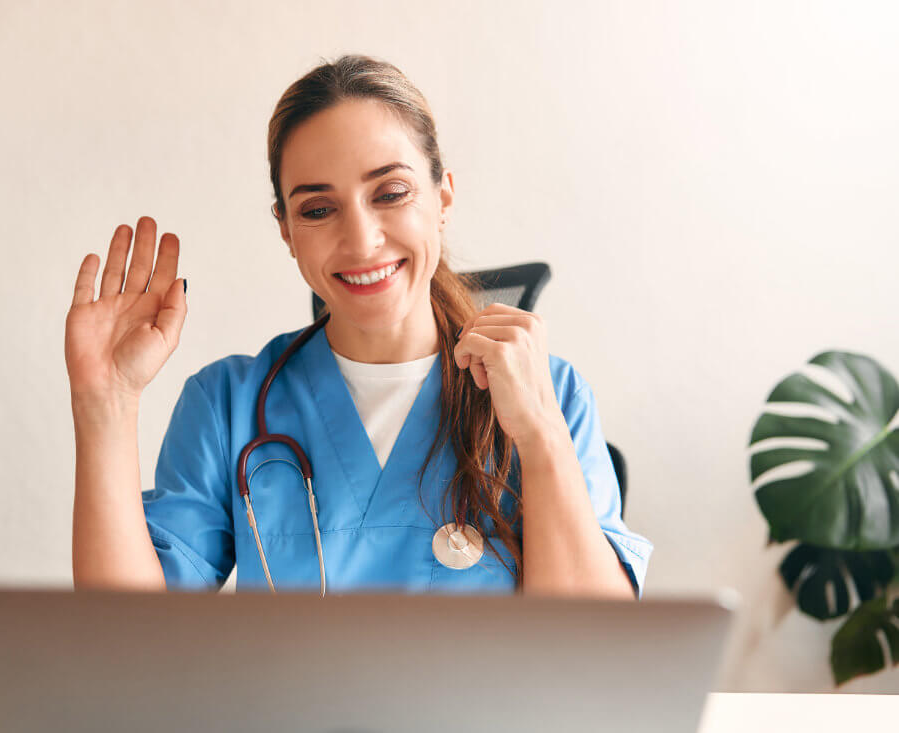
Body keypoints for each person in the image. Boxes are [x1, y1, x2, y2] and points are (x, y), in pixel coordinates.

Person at [65, 54, 652, 599]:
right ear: (286, 230)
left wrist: (541, 436)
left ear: (442, 197)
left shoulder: (549, 393)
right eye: (318, 210)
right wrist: (105, 404)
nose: (362, 239)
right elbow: (126, 634)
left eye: (391, 193)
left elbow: (596, 652)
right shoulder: (228, 406)